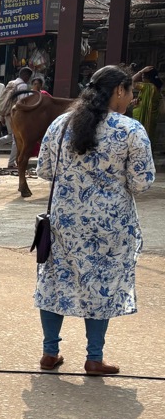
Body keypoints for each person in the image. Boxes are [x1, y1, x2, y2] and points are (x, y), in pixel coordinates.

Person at [34, 66, 154, 376]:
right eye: (130, 92)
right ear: (118, 91)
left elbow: (45, 171)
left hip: (65, 221)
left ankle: (50, 353)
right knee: (101, 284)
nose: (131, 98)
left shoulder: (61, 124)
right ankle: (94, 358)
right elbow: (141, 183)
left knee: (55, 281)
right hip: (110, 225)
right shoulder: (130, 130)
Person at [131, 65, 161, 151]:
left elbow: (131, 81)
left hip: (143, 118)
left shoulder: (148, 87)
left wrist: (141, 71)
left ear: (149, 78)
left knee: (140, 139)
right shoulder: (154, 88)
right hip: (150, 118)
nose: (142, 78)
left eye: (143, 76)